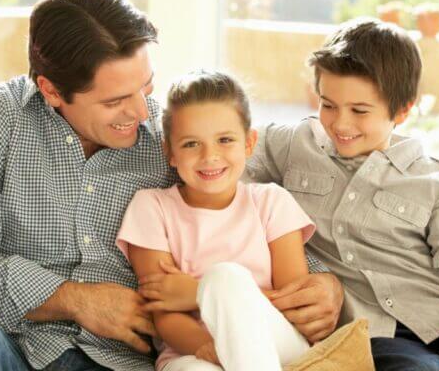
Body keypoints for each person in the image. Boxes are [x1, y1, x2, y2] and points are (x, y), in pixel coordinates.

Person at [0, 0, 343, 371]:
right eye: (116, 100)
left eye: (147, 87)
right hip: (18, 345)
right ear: (51, 91)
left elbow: (237, 202)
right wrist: (73, 299)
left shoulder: (171, 136)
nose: (141, 114)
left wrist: (322, 281)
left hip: (124, 360)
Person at [247, 17, 439, 371]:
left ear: (403, 109)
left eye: (360, 111)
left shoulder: (436, 180)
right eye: (328, 104)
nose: (340, 123)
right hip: (374, 336)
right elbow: (218, 143)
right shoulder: (291, 146)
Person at [116, 70, 316, 370]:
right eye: (191, 144)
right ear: (170, 151)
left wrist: (197, 292)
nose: (210, 156)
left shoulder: (271, 203)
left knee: (225, 277)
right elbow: (163, 310)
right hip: (191, 351)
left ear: (248, 143)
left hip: (276, 341)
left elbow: (293, 304)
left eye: (224, 140)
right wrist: (209, 348)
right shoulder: (152, 208)